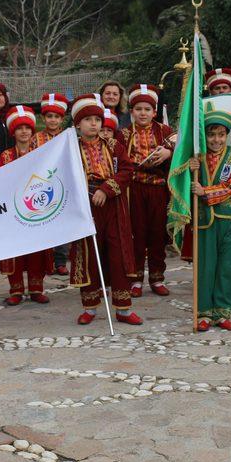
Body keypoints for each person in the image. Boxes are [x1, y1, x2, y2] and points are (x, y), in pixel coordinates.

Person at [69, 94, 142, 325]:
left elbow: (127, 170)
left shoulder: (113, 146)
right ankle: (90, 308)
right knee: (90, 255)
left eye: (97, 120)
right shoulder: (70, 148)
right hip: (85, 207)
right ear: (77, 124)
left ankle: (123, 308)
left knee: (118, 254)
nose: (94, 124)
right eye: (88, 120)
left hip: (113, 205)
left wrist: (106, 189)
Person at [188, 96, 231, 331]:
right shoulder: (197, 157)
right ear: (205, 136)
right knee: (205, 266)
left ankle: (222, 311)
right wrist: (188, 170)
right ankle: (203, 312)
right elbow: (184, 186)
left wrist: (205, 192)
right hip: (204, 220)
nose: (216, 140)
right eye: (211, 135)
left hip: (229, 219)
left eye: (221, 134)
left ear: (227, 135)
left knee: (227, 266)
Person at [120, 84, 175, 298]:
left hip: (158, 190)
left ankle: (157, 277)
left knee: (157, 234)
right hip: (134, 190)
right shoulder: (123, 134)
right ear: (131, 111)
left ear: (154, 112)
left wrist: (169, 152)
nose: (143, 113)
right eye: (138, 109)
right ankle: (135, 279)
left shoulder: (165, 131)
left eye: (147, 109)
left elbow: (182, 148)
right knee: (137, 234)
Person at [0, 105, 52, 305]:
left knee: (36, 249)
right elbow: (0, 182)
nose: (24, 131)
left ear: (32, 130)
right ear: (13, 132)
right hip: (13, 210)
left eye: (27, 128)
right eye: (19, 128)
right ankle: (16, 290)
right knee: (15, 250)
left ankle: (36, 288)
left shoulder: (42, 154)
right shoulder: (5, 156)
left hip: (36, 208)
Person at [35, 92, 71, 276]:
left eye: (57, 117)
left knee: (62, 224)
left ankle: (61, 261)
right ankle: (46, 261)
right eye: (49, 116)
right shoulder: (35, 139)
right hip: (41, 186)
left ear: (62, 119)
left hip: (62, 185)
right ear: (43, 118)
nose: (53, 120)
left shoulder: (68, 137)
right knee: (44, 223)